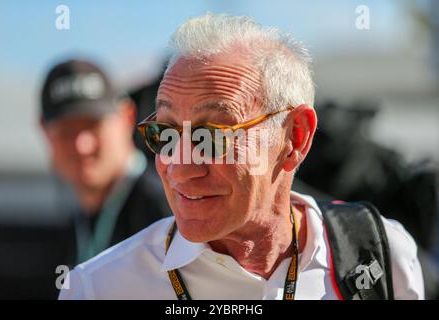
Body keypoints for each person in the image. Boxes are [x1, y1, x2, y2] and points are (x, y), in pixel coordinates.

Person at [59, 14, 424, 299]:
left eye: (211, 136)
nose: (180, 168)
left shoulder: (382, 252)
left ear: (294, 136)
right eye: (165, 135)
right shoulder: (97, 288)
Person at [40, 59, 170, 265]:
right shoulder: (74, 222)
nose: (82, 145)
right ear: (44, 132)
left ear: (127, 117)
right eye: (66, 131)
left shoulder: (166, 210)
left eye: (93, 125)